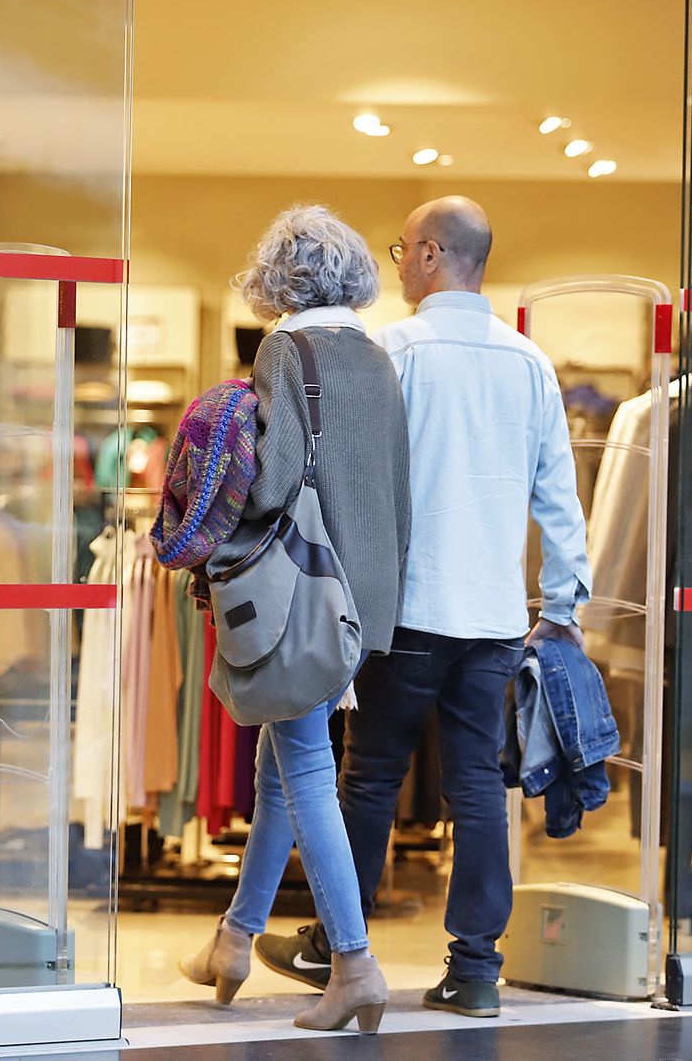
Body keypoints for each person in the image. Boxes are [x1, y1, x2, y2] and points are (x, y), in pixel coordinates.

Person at [255, 196, 591, 1018]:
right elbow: (558, 493)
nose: (396, 262)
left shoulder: (389, 351)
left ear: (435, 254)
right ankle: (476, 968)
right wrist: (565, 599)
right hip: (494, 615)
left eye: (403, 248)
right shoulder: (529, 362)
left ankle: (339, 949)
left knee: (370, 776)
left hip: (405, 606)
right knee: (479, 786)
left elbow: (355, 481)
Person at [178, 203, 412, 1034]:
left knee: (305, 771)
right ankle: (233, 941)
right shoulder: (379, 357)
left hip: (300, 592)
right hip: (363, 597)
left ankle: (354, 963)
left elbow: (273, 483)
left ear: (280, 276)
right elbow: (396, 488)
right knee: (281, 769)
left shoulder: (286, 348)